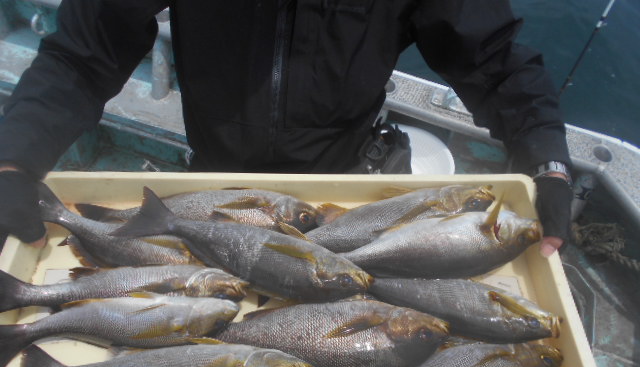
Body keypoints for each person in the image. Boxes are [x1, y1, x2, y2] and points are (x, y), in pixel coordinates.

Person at [0, 0, 573, 257]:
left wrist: (546, 160)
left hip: (345, 185)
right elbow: (84, 52)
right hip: (217, 184)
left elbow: (494, 62)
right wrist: (15, 158)